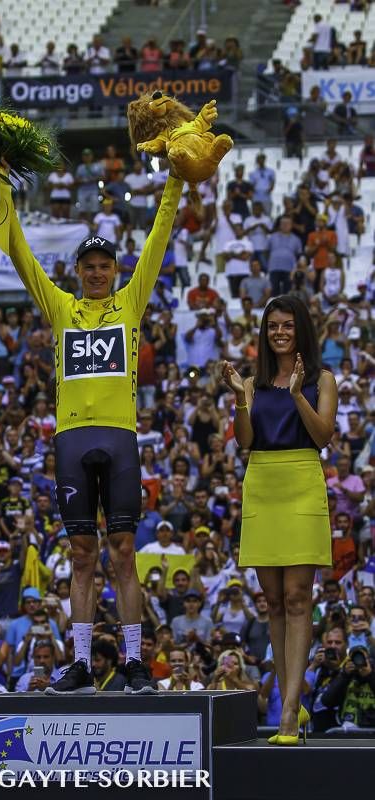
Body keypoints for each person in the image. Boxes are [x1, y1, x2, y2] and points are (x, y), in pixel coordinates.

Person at [0, 149, 184, 694]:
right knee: (80, 553)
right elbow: (21, 252)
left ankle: (134, 661)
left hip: (120, 439)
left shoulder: (131, 302)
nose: (97, 274)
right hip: (72, 439)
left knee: (123, 552)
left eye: (105, 267)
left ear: (115, 272)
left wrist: (175, 182)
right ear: (77, 272)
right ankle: (78, 662)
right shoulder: (59, 308)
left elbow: (158, 239)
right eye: (89, 267)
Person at [221, 294, 337, 745]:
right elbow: (245, 442)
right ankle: (293, 699)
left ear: (301, 328)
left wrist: (296, 396)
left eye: (288, 325)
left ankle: (289, 711)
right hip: (262, 481)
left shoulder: (322, 378)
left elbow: (324, 436)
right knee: (271, 601)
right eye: (273, 326)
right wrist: (239, 401)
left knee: (296, 597)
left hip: (303, 478)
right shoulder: (253, 381)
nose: (280, 332)